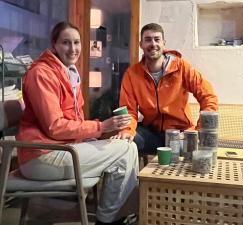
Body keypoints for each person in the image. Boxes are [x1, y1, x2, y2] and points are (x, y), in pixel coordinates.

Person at [16, 21, 138, 225]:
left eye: (76, 42)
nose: (73, 49)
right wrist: (101, 127)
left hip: (60, 149)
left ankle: (110, 217)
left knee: (127, 147)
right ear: (54, 44)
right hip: (40, 158)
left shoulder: (67, 72)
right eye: (66, 43)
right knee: (125, 151)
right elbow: (55, 127)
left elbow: (73, 121)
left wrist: (99, 132)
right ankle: (108, 219)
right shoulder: (41, 74)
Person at [115, 23, 218, 154]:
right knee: (125, 142)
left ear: (164, 43)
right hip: (151, 134)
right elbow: (129, 110)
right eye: (148, 40)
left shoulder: (181, 67)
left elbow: (208, 96)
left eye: (157, 39)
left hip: (181, 134)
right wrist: (127, 130)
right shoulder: (132, 74)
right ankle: (135, 175)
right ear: (141, 44)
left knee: (190, 152)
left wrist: (198, 130)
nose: (153, 44)